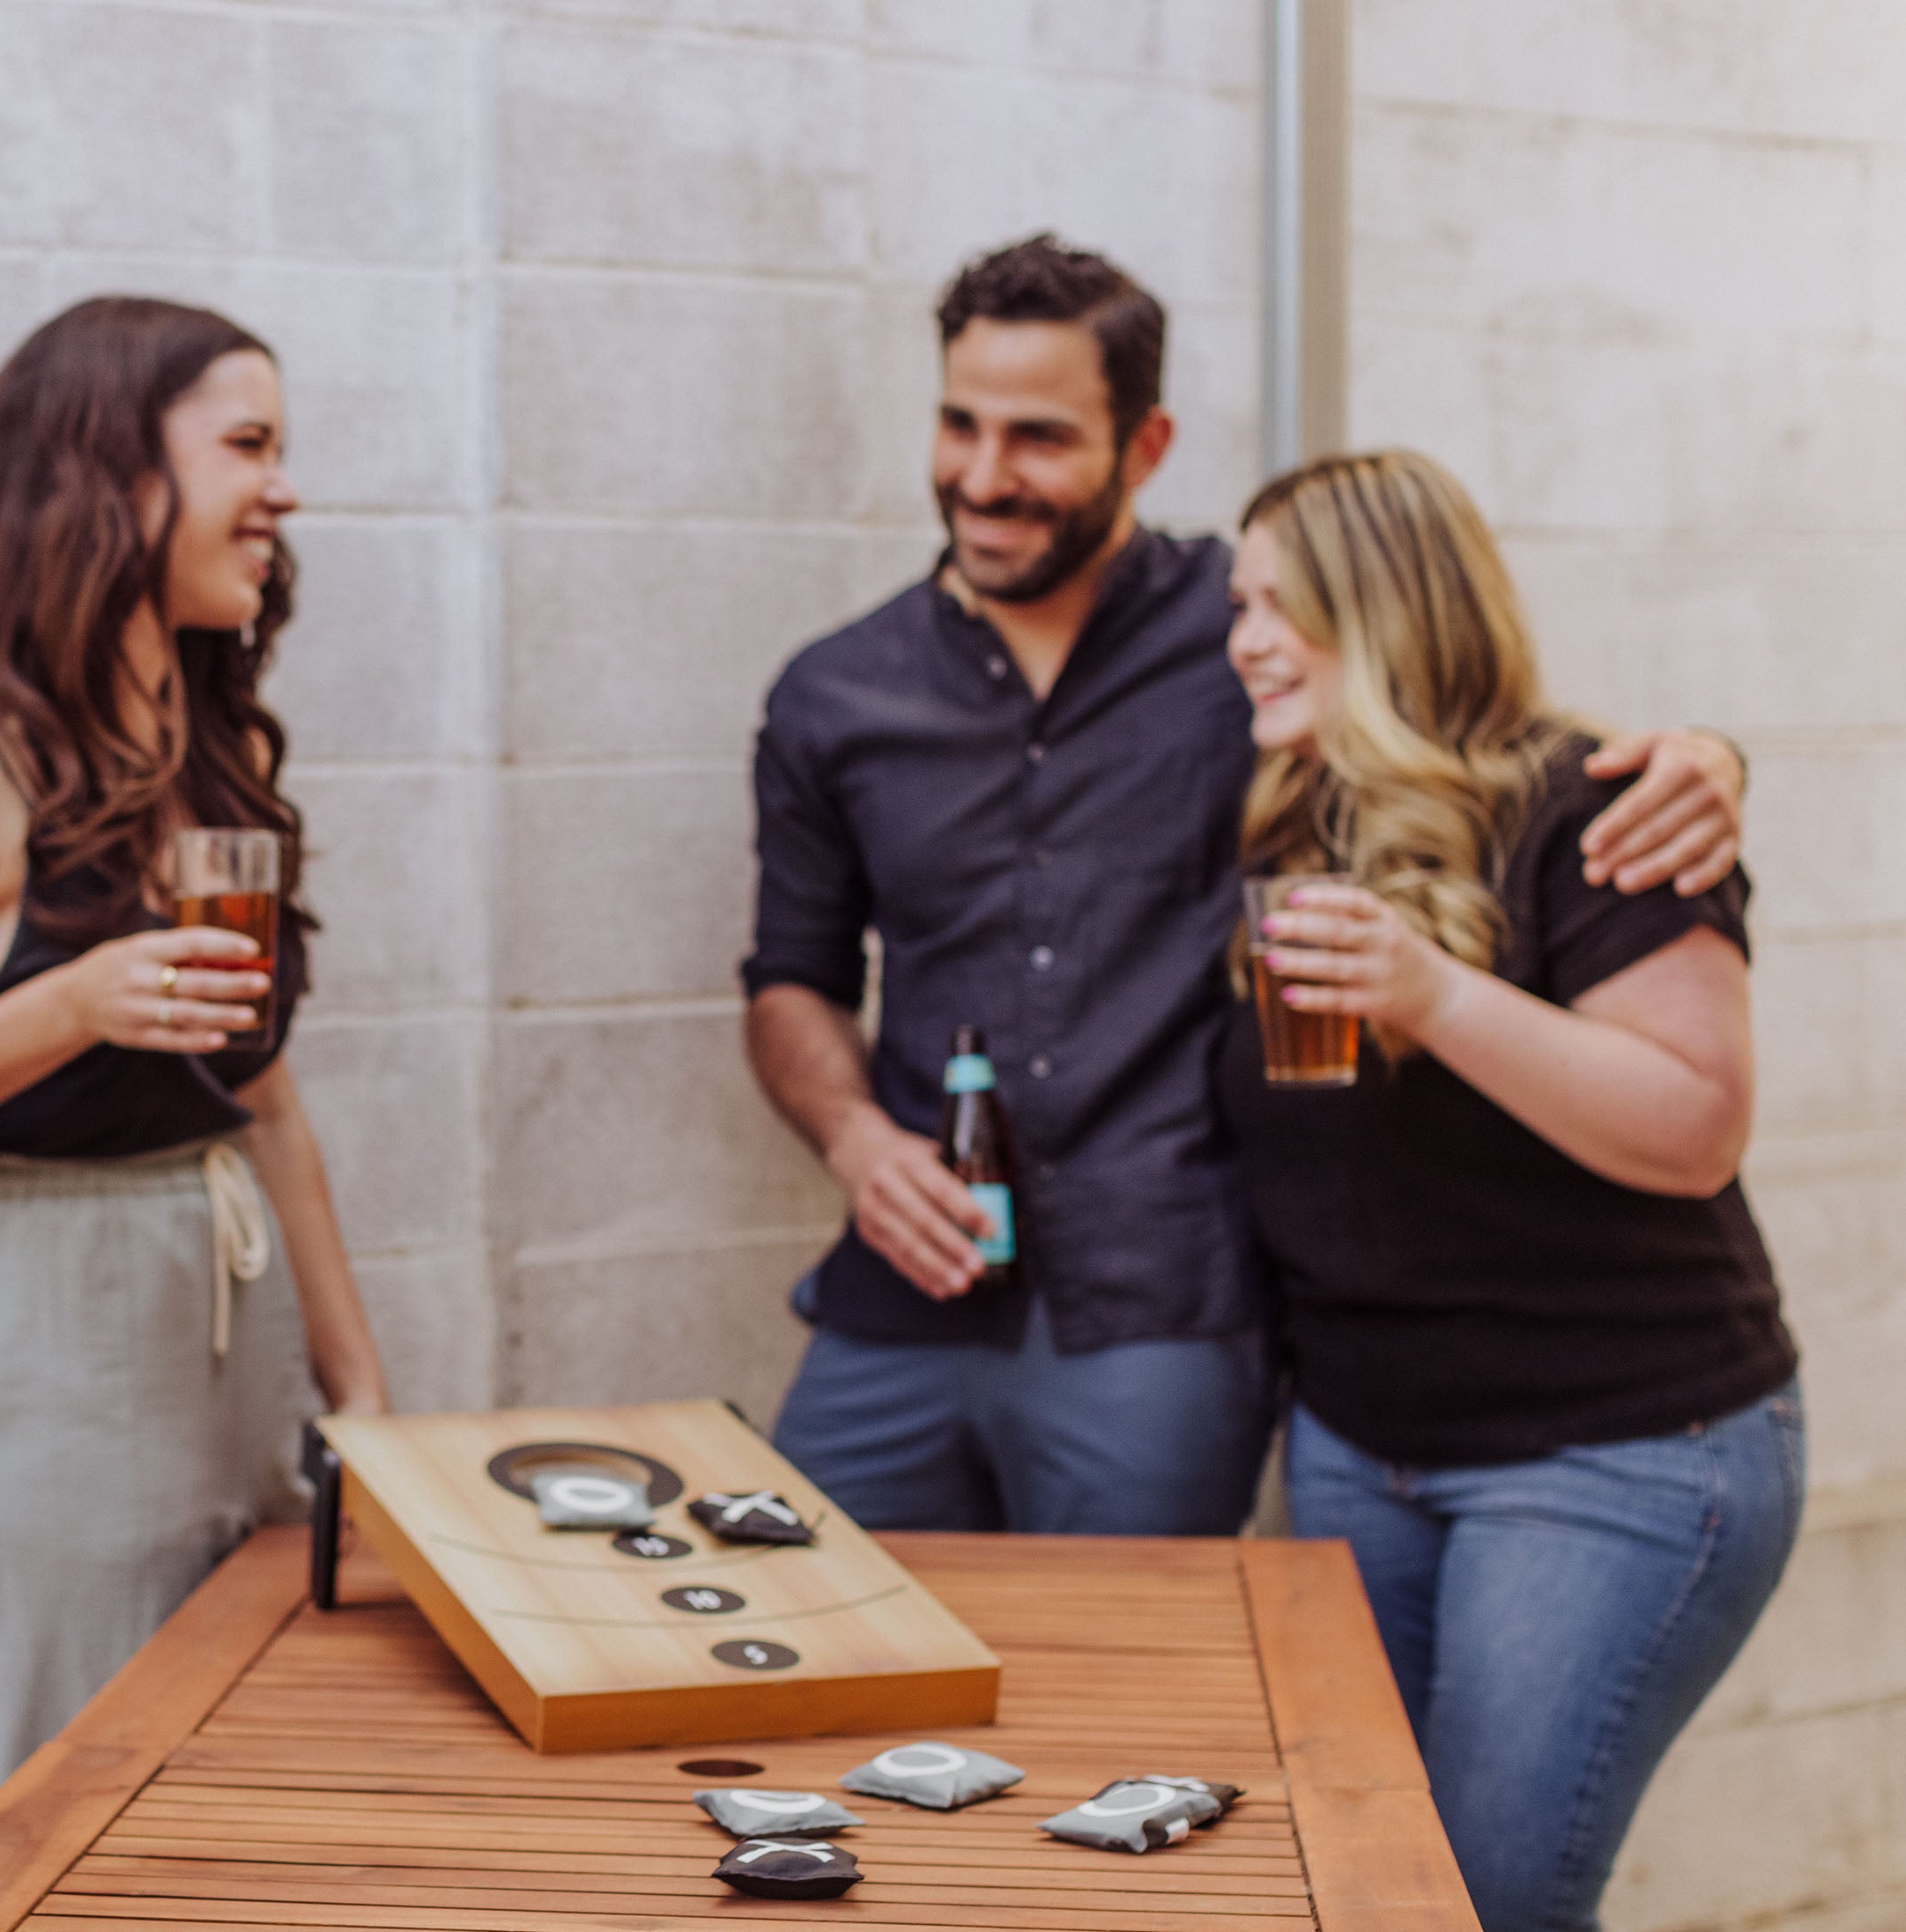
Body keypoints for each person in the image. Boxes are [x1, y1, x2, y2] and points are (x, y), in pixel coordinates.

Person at [739, 233, 1749, 1536]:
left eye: (1039, 438)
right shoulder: (833, 693)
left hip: (1168, 1309)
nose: (984, 478)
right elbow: (788, 984)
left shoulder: (1253, 642)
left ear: (1146, 447)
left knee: (1124, 1705)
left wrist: (1708, 756)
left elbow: (1456, 718)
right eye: (958, 425)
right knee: (799, 1637)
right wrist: (855, 1139)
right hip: (901, 1292)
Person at [1220, 450, 1799, 1932]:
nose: (1246, 642)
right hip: (1366, 1448)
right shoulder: (1285, 800)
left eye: (1280, 606)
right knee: (1472, 1895)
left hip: (1623, 1453)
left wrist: (1431, 995)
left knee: (1485, 1913)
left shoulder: (1593, 805)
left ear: (1385, 604)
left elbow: (1694, 1125)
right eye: (1240, 608)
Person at [0, 296, 389, 1794]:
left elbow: (266, 1097)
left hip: (210, 1327)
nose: (285, 490)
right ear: (108, 474)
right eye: (249, 446)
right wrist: (69, 1003)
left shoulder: (199, 749)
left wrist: (357, 1392)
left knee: (205, 1765)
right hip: (21, 1346)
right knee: (51, 1761)